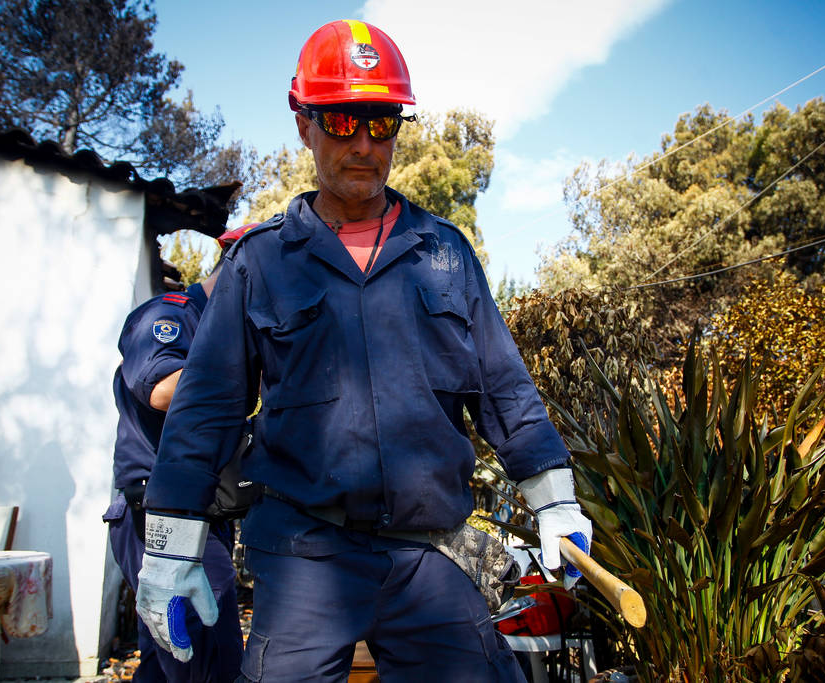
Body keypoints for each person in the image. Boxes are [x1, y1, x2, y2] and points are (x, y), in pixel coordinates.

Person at [135, 19, 593, 682]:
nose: (363, 145)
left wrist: (554, 498)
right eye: (342, 123)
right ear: (304, 124)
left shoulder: (444, 255)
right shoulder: (260, 263)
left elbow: (504, 389)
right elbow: (204, 410)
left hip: (430, 556)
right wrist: (169, 549)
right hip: (304, 557)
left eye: (381, 123)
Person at [103, 229, 250, 683]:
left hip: (205, 518)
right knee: (210, 663)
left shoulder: (227, 328)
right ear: (239, 269)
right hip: (161, 519)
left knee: (168, 664)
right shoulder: (172, 315)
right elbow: (164, 390)